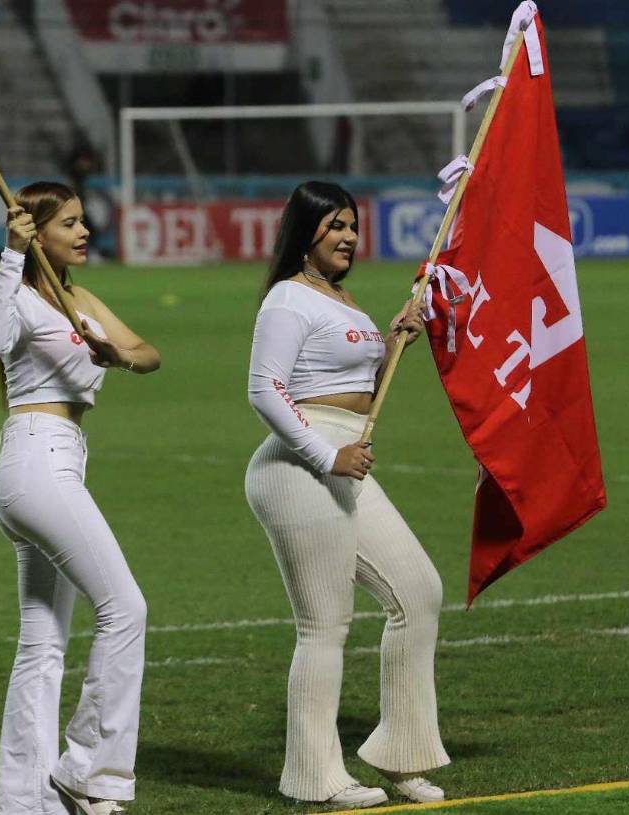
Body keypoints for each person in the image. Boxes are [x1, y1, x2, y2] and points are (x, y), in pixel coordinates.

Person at [243, 181, 449, 808]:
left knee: (419, 591)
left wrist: (393, 340)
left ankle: (403, 754)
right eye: (335, 225)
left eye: (353, 225)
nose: (349, 236)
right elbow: (265, 389)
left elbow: (355, 385)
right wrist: (325, 454)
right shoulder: (287, 298)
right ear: (305, 231)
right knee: (324, 626)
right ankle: (315, 778)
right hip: (300, 464)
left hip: (345, 461)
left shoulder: (342, 301)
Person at [0, 181, 161, 815]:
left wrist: (118, 355)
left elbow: (150, 353)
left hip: (53, 464)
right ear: (38, 232)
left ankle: (25, 801)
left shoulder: (77, 296)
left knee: (43, 641)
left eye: (84, 222)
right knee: (126, 608)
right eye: (71, 224)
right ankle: (89, 771)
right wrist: (8, 255)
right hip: (36, 460)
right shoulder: (22, 298)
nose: (85, 232)